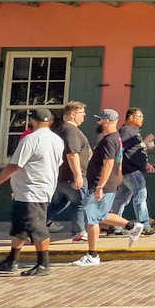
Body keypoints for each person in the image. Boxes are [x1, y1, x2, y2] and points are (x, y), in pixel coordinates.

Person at [0, 107, 64, 276]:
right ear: (49, 122)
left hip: (31, 190)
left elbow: (15, 165)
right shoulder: (57, 140)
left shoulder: (30, 139)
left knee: (37, 227)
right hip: (38, 188)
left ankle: (44, 264)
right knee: (19, 228)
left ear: (33, 121)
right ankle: (11, 261)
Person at [70, 109, 144, 266]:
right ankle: (132, 226)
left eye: (100, 120)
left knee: (91, 218)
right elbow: (119, 159)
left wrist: (100, 186)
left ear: (107, 121)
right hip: (106, 184)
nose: (98, 122)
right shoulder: (116, 138)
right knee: (101, 215)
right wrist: (117, 176)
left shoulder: (109, 140)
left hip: (101, 184)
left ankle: (93, 255)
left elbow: (109, 162)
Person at [110, 107, 155, 236]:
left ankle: (116, 225)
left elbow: (135, 150)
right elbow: (124, 151)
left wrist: (146, 162)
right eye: (140, 116)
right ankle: (144, 225)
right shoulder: (127, 131)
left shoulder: (131, 131)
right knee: (140, 196)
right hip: (131, 171)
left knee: (121, 199)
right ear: (131, 117)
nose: (142, 119)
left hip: (128, 170)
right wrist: (145, 142)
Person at [47, 101, 91, 242]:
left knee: (59, 203)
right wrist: (78, 175)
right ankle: (79, 232)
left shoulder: (61, 129)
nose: (84, 115)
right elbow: (72, 154)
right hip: (71, 176)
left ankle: (33, 225)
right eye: (81, 113)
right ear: (73, 114)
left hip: (61, 176)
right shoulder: (70, 130)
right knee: (80, 203)